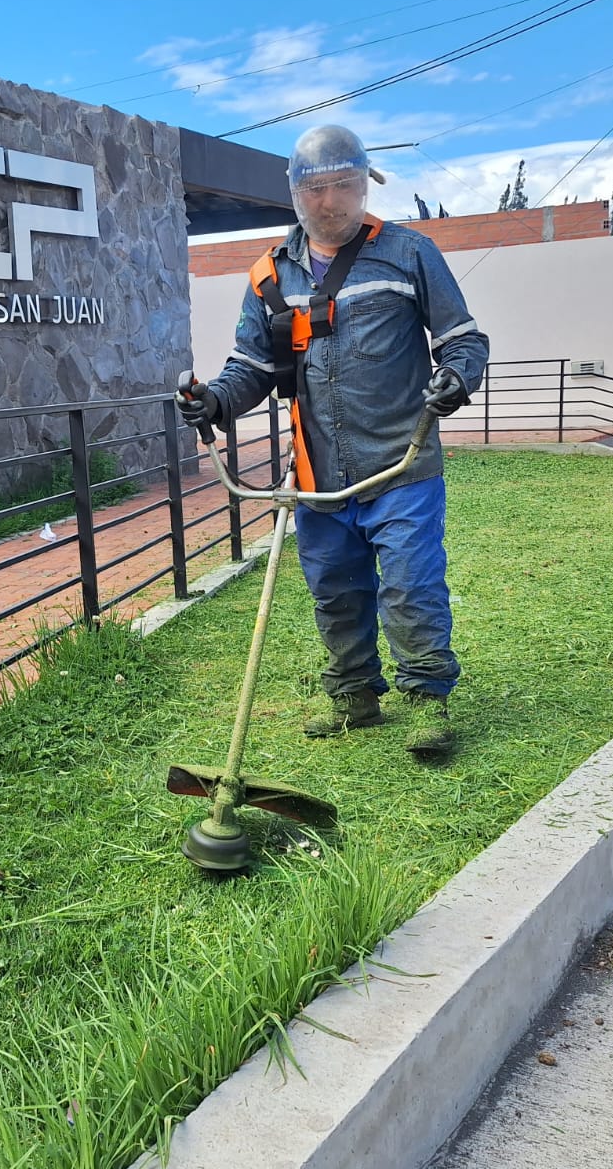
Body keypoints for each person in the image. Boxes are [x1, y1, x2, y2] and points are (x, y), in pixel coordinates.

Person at [178, 124, 488, 755]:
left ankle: (428, 701)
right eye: (316, 189)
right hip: (318, 472)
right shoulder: (269, 275)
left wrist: (455, 376)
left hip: (401, 463)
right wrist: (213, 400)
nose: (331, 201)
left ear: (365, 184)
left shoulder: (409, 254)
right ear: (295, 193)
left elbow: (464, 339)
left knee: (411, 584)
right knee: (335, 588)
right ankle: (355, 698)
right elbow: (253, 367)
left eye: (344, 186)